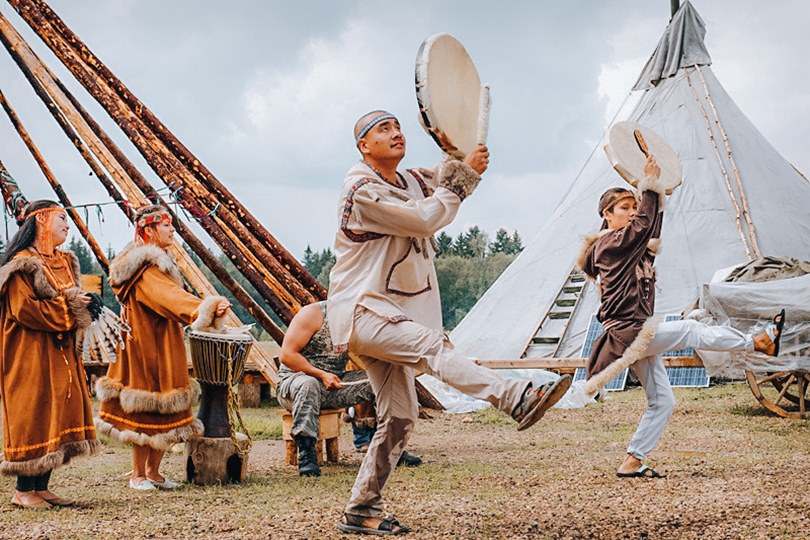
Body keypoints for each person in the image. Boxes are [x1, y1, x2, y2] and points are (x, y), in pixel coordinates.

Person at [329, 110, 572, 535]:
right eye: (382, 130)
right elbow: (428, 215)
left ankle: (362, 507)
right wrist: (459, 178)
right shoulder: (362, 190)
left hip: (387, 315)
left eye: (398, 126)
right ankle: (514, 396)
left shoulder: (406, 181)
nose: (396, 133)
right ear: (363, 146)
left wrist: (460, 155)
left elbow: (442, 181)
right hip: (363, 312)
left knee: (401, 416)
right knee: (432, 348)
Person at [578, 155, 784, 479]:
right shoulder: (610, 244)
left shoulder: (625, 245)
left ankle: (633, 460)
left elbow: (649, 229)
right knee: (690, 328)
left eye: (634, 207)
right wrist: (647, 185)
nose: (632, 213)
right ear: (606, 215)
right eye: (624, 208)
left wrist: (655, 194)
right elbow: (642, 227)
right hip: (630, 335)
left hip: (635, 334)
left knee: (663, 401)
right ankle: (756, 341)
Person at [94, 205, 230, 491]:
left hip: (162, 343)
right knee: (144, 408)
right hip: (144, 346)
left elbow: (172, 298)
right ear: (148, 230)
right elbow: (170, 298)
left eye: (171, 224)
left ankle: (154, 473)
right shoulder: (145, 270)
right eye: (166, 225)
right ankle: (138, 475)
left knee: (164, 408)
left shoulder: (158, 265)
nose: (172, 230)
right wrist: (204, 307)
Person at [0, 200, 101, 508]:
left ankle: (41, 486)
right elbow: (25, 310)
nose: (67, 226)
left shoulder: (64, 261)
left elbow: (66, 298)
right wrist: (72, 307)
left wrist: (86, 301)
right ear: (41, 220)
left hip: (59, 352)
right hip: (27, 352)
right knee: (32, 412)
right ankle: (23, 490)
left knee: (56, 411)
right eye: (61, 219)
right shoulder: (21, 264)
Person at [278, 301, 421, 477]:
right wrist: (321, 375)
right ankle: (307, 455)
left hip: (334, 384)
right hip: (295, 383)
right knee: (309, 384)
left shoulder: (358, 319)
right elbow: (287, 355)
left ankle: (391, 448)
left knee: (382, 379)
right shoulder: (313, 314)